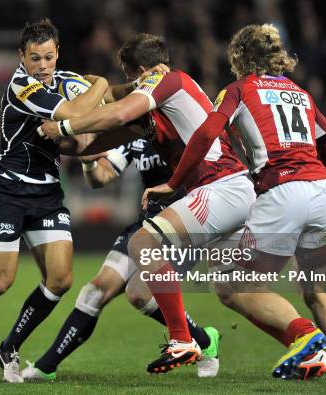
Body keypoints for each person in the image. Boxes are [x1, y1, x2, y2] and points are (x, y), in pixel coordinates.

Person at [38, 33, 255, 374]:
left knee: (146, 273)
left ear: (141, 71)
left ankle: (187, 339)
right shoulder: (152, 119)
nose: (131, 85)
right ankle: (198, 338)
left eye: (130, 77)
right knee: (124, 291)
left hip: (208, 195)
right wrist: (42, 140)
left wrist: (64, 124)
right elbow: (91, 149)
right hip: (176, 207)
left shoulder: (169, 82)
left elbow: (116, 111)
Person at [157, 24, 326, 390]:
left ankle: (306, 338)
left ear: (240, 58)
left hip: (284, 192)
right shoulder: (301, 93)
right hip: (324, 193)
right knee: (314, 289)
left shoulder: (238, 89)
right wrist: (311, 177)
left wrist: (173, 183)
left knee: (230, 283)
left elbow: (205, 134)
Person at [0, 19, 109, 383]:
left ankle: (9, 347)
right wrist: (103, 83)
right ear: (22, 57)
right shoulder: (22, 85)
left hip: (47, 194)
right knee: (0, 282)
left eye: (48, 57)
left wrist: (142, 84)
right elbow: (78, 112)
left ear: (57, 53)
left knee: (60, 280)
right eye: (35, 58)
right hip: (8, 190)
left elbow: (107, 101)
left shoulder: (64, 80)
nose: (43, 65)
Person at [22, 139, 221, 381]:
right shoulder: (135, 135)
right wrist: (89, 162)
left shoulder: (180, 124)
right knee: (95, 291)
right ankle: (47, 366)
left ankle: (202, 340)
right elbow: (100, 178)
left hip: (185, 227)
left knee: (140, 294)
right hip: (146, 227)